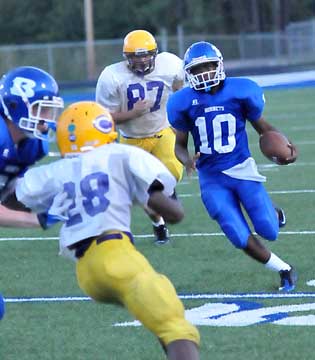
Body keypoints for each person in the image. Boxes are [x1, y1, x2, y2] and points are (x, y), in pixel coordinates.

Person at [15, 101, 200, 359]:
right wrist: (163, 203)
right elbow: (170, 210)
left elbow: (19, 195)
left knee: (156, 317)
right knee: (175, 326)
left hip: (86, 273)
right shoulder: (121, 155)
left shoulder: (57, 170)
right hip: (115, 254)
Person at [167, 41, 298, 292]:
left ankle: (275, 213)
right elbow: (179, 145)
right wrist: (186, 160)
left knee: (269, 230)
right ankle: (284, 269)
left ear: (219, 66)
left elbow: (264, 129)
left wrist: (287, 149)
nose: (204, 73)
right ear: (188, 74)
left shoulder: (241, 91)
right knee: (237, 234)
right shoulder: (182, 102)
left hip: (242, 170)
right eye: (197, 70)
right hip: (211, 178)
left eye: (208, 67)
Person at [96, 29, 184, 245]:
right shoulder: (112, 76)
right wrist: (132, 113)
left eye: (145, 54)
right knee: (144, 192)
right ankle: (158, 225)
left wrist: (176, 118)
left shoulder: (170, 64)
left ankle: (166, 197)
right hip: (132, 139)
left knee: (171, 173)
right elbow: (102, 119)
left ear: (155, 53)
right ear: (127, 57)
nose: (142, 60)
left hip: (163, 131)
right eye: (136, 56)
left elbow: (180, 87)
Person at [0, 65, 64, 228]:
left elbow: (7, 198)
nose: (47, 118)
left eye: (49, 110)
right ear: (15, 106)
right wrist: (38, 220)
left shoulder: (33, 146)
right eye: (40, 108)